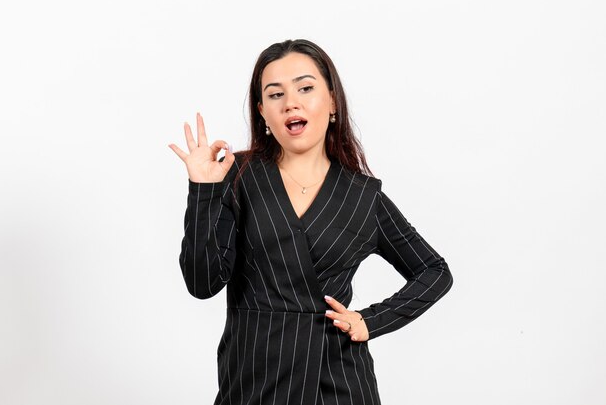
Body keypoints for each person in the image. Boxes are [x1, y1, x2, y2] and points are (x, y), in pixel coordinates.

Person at [168, 39, 453, 405]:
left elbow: (434, 271)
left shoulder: (363, 197)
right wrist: (203, 191)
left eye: (305, 88)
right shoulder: (237, 176)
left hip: (337, 385)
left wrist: (370, 321)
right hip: (253, 381)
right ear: (263, 113)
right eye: (275, 94)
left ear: (332, 101)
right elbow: (201, 283)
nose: (291, 102)